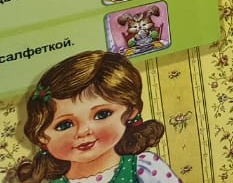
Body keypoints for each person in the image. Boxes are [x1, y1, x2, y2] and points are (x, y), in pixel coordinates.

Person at [8, 51, 180, 183]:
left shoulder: (144, 168)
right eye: (64, 124)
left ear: (131, 111)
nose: (83, 131)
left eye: (102, 114)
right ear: (42, 136)